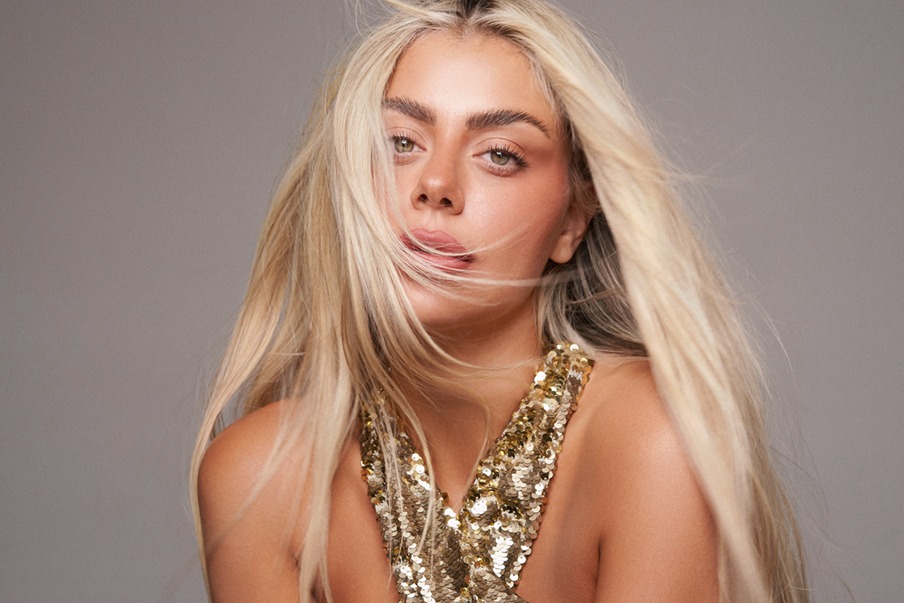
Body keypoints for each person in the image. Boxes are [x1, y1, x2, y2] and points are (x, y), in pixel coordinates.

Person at [191, 1, 808, 601]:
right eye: (400, 142)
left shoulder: (652, 439)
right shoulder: (258, 477)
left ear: (572, 220)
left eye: (500, 155)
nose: (436, 185)